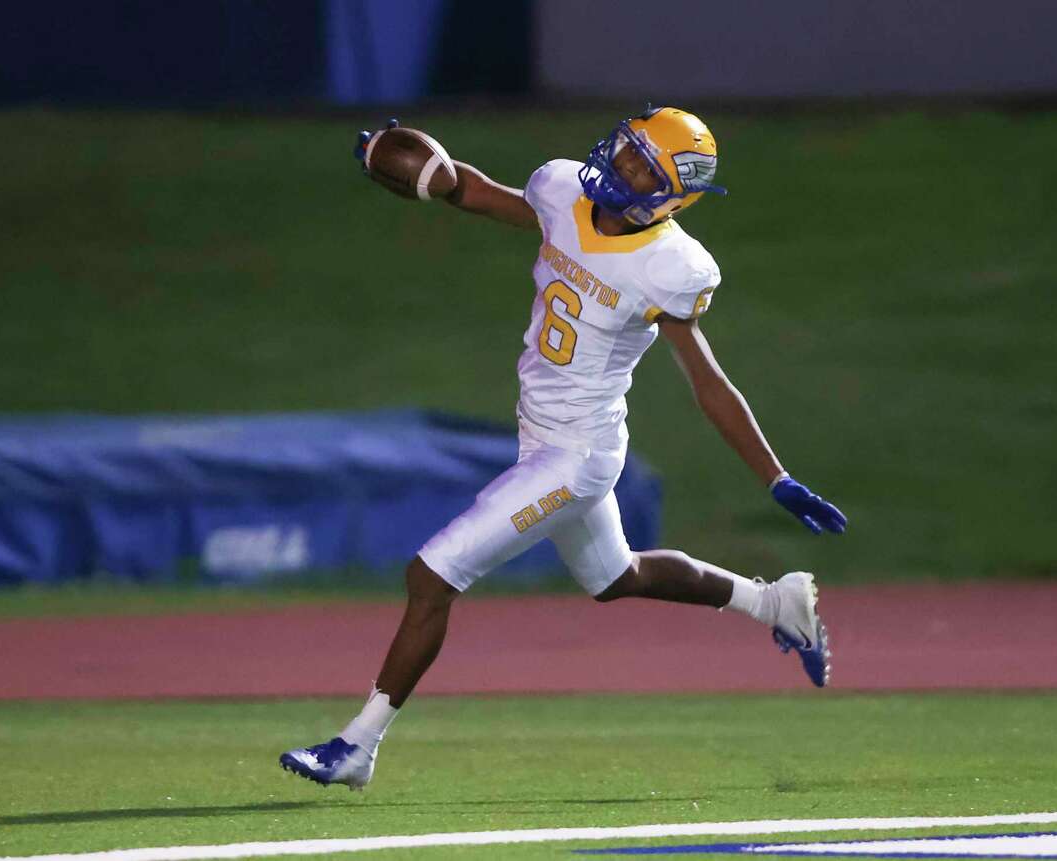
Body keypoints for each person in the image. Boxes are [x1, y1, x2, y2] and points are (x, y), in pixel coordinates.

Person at [280, 107, 847, 790]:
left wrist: (775, 477)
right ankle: (776, 603)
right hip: (540, 435)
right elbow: (476, 192)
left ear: (674, 193)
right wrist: (417, 168)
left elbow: (709, 383)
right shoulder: (562, 192)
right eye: (628, 149)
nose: (622, 165)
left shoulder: (670, 267)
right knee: (617, 577)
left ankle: (358, 745)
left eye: (644, 165)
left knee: (433, 574)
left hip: (578, 456)